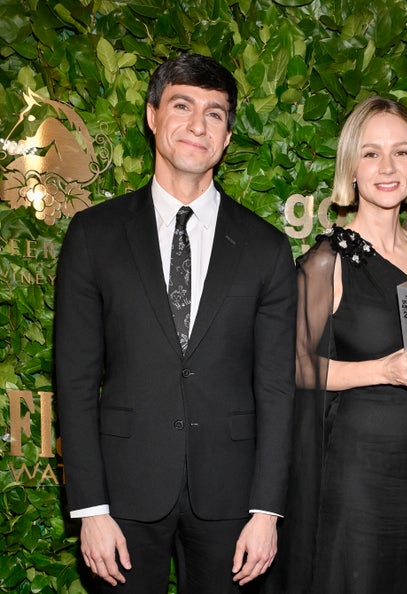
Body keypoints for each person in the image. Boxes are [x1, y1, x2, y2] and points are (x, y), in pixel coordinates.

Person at [55, 53, 296, 593]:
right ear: (151, 115)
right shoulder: (94, 235)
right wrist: (89, 508)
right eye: (182, 105)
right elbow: (73, 380)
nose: (197, 124)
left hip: (232, 500)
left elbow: (277, 388)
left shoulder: (266, 247)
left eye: (215, 113)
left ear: (228, 136)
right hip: (121, 495)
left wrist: (267, 511)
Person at [276, 96, 407, 594]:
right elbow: (296, 367)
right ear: (351, 166)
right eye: (371, 153)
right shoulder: (326, 261)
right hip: (357, 465)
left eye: (401, 152)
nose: (387, 167)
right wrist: (385, 370)